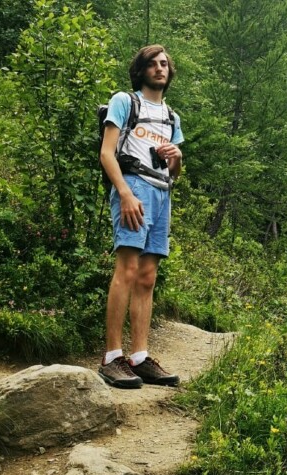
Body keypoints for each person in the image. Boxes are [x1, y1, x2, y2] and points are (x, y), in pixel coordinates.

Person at [98, 45, 184, 389]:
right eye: (153, 63)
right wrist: (125, 192)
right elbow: (107, 153)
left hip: (162, 193)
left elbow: (175, 172)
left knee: (148, 276)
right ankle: (111, 357)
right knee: (128, 268)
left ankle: (139, 356)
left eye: (164, 63)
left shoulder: (172, 117)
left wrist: (176, 156)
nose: (160, 68)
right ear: (141, 70)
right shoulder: (124, 101)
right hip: (133, 188)